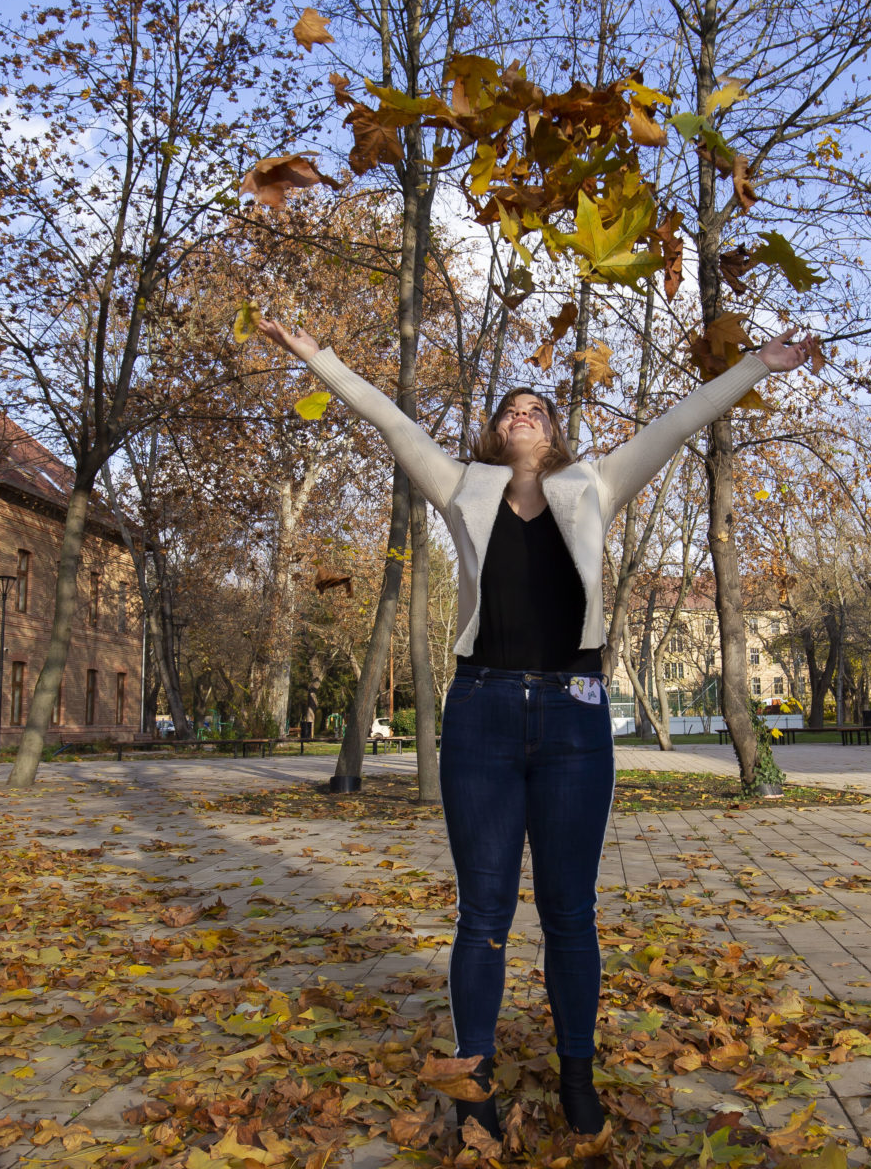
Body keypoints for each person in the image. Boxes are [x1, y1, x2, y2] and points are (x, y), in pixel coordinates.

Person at [256, 315, 817, 1140]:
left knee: (570, 910)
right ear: (495, 431)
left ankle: (577, 1071)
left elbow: (680, 420)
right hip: (481, 712)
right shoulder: (460, 486)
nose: (523, 412)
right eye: (510, 407)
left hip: (574, 713)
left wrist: (756, 367)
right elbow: (388, 417)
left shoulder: (595, 483)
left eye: (538, 408)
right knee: (481, 912)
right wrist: (317, 354)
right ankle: (472, 1075)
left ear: (554, 433)